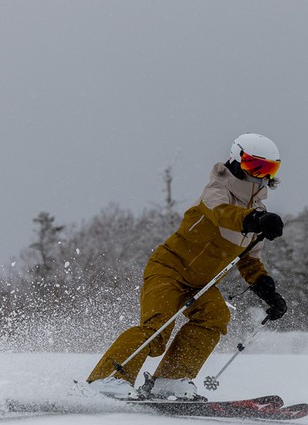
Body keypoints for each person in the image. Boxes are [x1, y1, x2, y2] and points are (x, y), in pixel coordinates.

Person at [86, 133, 288, 400]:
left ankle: (169, 380)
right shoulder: (217, 190)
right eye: (254, 166)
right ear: (237, 161)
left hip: (201, 284)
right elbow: (222, 214)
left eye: (268, 169)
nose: (260, 176)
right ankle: (108, 378)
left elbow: (249, 260)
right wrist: (255, 219)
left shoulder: (257, 211)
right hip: (169, 270)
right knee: (156, 330)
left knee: (215, 317)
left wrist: (268, 291)